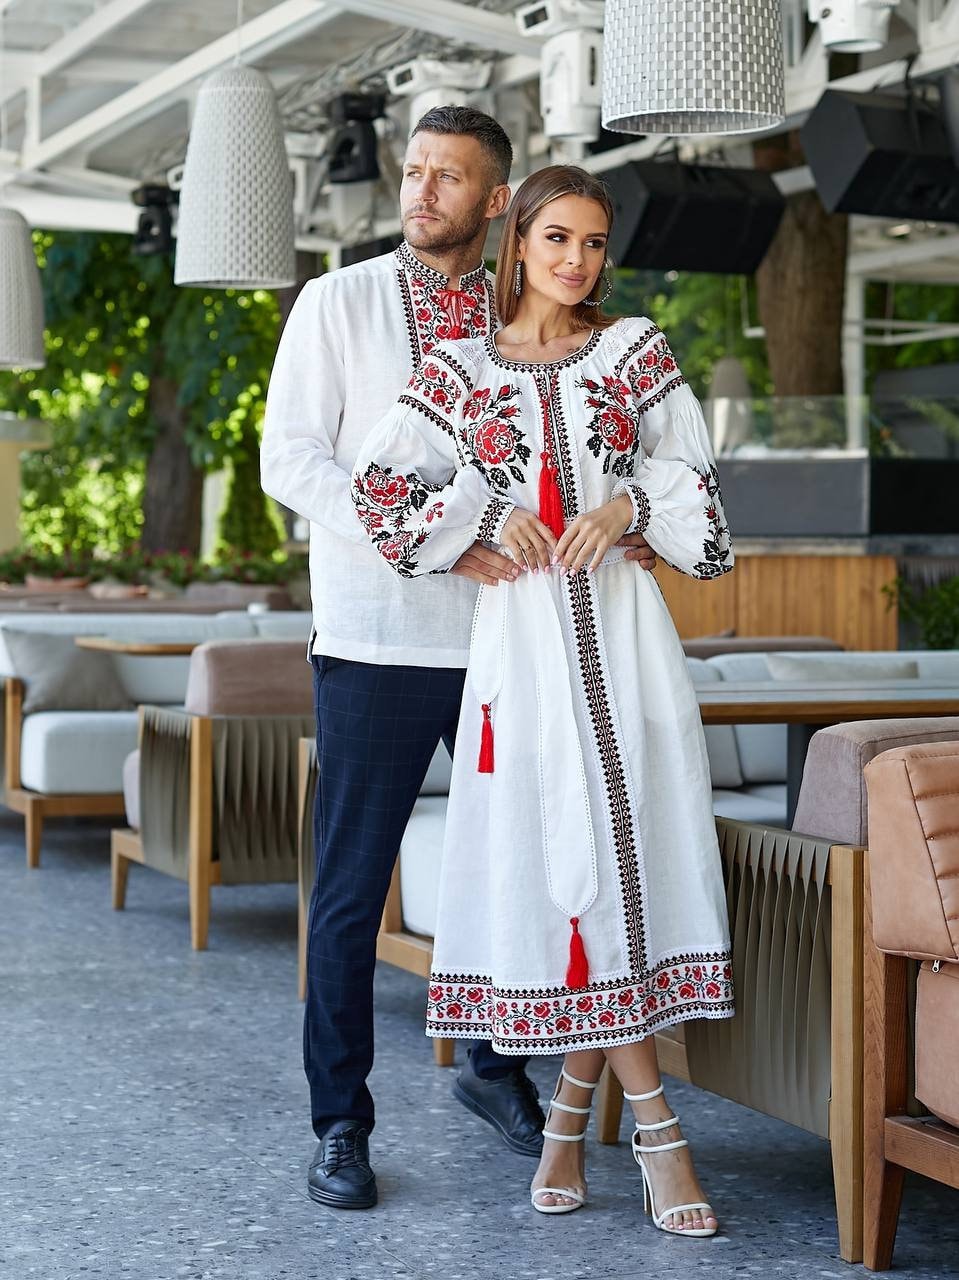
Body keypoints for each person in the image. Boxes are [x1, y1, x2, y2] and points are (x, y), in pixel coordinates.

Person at [260, 111, 658, 1212]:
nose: (421, 189)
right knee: (350, 892)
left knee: (517, 866)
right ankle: (340, 1124)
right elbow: (290, 460)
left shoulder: (529, 311)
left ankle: (493, 1067)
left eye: (450, 176)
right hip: (377, 639)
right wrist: (442, 536)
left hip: (511, 640)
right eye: (414, 170)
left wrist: (626, 518)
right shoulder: (338, 300)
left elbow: (580, 458)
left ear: (495, 203)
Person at [352, 165, 735, 1236]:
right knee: (567, 872)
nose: (576, 259)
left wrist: (624, 507)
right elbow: (380, 491)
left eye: (594, 242)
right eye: (557, 237)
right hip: (519, 652)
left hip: (624, 643)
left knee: (617, 865)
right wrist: (478, 525)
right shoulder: (460, 369)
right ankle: (655, 1131)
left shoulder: (633, 351)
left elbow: (700, 498)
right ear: (517, 239)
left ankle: (571, 1120)